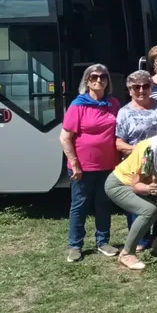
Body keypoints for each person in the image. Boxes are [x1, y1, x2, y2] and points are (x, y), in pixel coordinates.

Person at [104, 114, 157, 270]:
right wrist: (149, 188)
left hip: (147, 184)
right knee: (148, 210)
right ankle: (127, 254)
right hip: (120, 184)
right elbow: (137, 185)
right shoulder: (149, 148)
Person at [60, 64, 121, 263]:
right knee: (80, 205)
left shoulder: (113, 104)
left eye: (103, 77)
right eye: (93, 77)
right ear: (87, 81)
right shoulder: (78, 105)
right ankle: (75, 245)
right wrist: (75, 163)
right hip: (82, 168)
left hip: (108, 165)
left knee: (103, 204)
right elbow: (65, 137)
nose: (98, 80)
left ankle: (103, 241)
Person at [115, 70, 157, 156]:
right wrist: (139, 150)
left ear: (151, 88)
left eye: (145, 86)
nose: (141, 90)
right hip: (139, 162)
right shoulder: (124, 112)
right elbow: (119, 144)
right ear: (130, 90)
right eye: (136, 87)